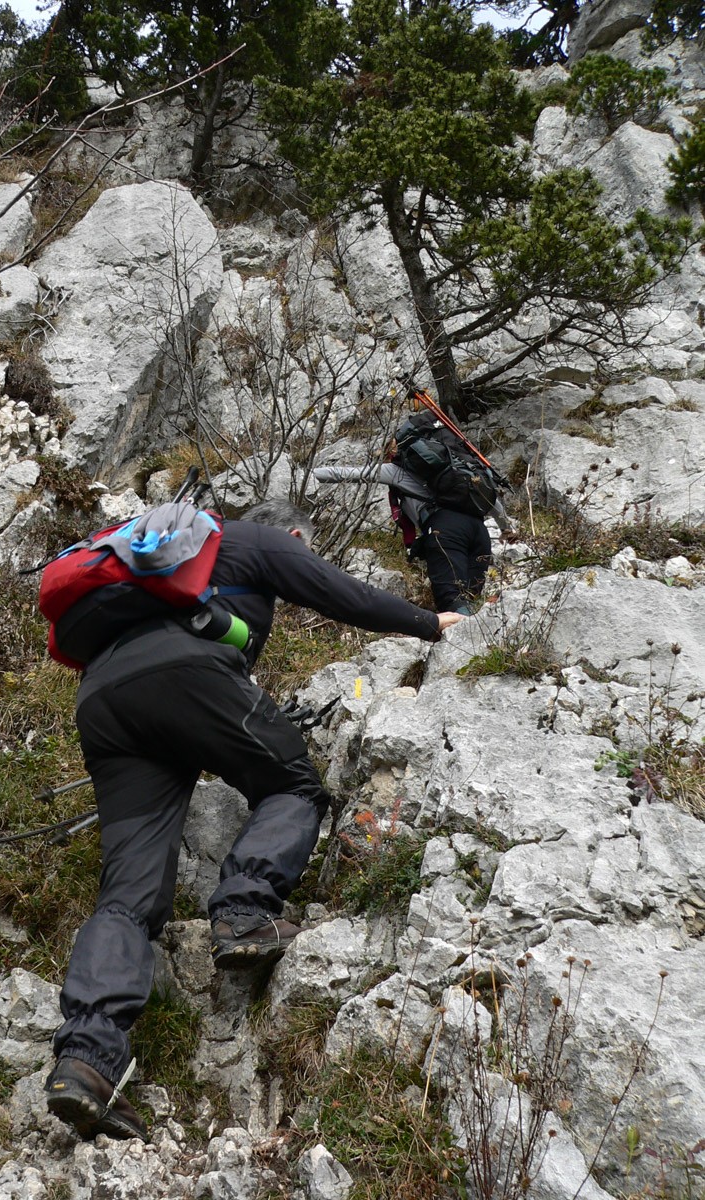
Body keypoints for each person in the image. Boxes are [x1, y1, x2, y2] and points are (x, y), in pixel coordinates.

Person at [43, 498, 464, 1142]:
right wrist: (429, 622)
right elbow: (338, 592)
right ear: (292, 531)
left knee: (127, 894)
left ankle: (86, 1057)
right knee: (291, 784)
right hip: (185, 673)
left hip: (103, 701)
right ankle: (244, 910)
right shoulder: (258, 539)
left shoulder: (150, 564)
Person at [313, 455, 510, 615]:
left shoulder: (396, 471)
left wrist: (309, 475)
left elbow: (351, 473)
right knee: (471, 596)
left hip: (446, 529)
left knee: (451, 598)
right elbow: (492, 501)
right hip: (479, 531)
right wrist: (506, 530)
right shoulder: (457, 469)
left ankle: (463, 646)